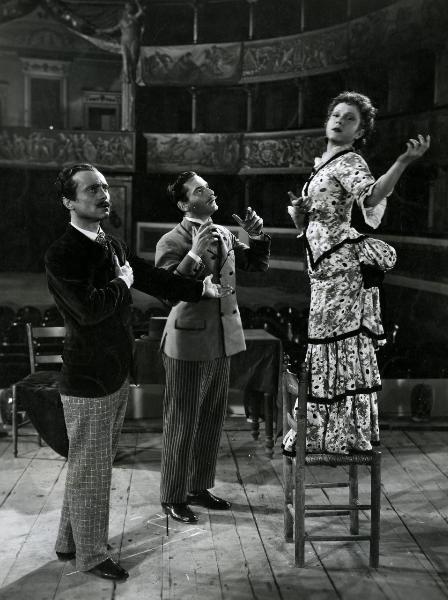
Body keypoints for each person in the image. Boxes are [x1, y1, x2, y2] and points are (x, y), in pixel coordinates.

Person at [45, 163, 228, 581]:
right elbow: (89, 309)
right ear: (69, 201)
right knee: (92, 470)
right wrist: (122, 283)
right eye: (92, 190)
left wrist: (199, 288)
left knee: (87, 464)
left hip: (112, 373)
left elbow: (156, 279)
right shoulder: (63, 251)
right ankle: (91, 555)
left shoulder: (110, 243)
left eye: (105, 188)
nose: (103, 194)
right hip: (89, 377)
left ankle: (69, 542)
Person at [283, 91, 430, 456]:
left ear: (360, 130)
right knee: (326, 347)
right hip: (323, 267)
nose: (339, 120)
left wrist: (402, 162)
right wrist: (302, 213)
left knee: (333, 346)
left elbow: (373, 195)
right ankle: (327, 433)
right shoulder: (325, 163)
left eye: (349, 118)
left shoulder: (350, 162)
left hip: (340, 269)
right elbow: (315, 221)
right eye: (336, 114)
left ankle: (336, 435)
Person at [155, 171, 271, 523]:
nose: (211, 191)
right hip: (188, 341)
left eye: (209, 187)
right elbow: (166, 292)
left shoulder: (224, 233)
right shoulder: (171, 240)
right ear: (184, 203)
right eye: (201, 190)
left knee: (210, 417)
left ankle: (198, 487)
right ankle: (173, 496)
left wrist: (256, 235)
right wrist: (192, 255)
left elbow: (256, 264)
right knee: (182, 419)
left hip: (222, 338)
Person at [98, 0, 144, 83]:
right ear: (126, 10)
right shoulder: (122, 21)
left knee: (134, 60)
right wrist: (101, 31)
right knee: (126, 61)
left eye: (129, 7)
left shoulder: (135, 18)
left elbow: (141, 11)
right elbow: (112, 29)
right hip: (124, 42)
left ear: (132, 9)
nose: (128, 9)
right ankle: (127, 78)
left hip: (134, 40)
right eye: (127, 8)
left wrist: (137, 2)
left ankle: (133, 77)